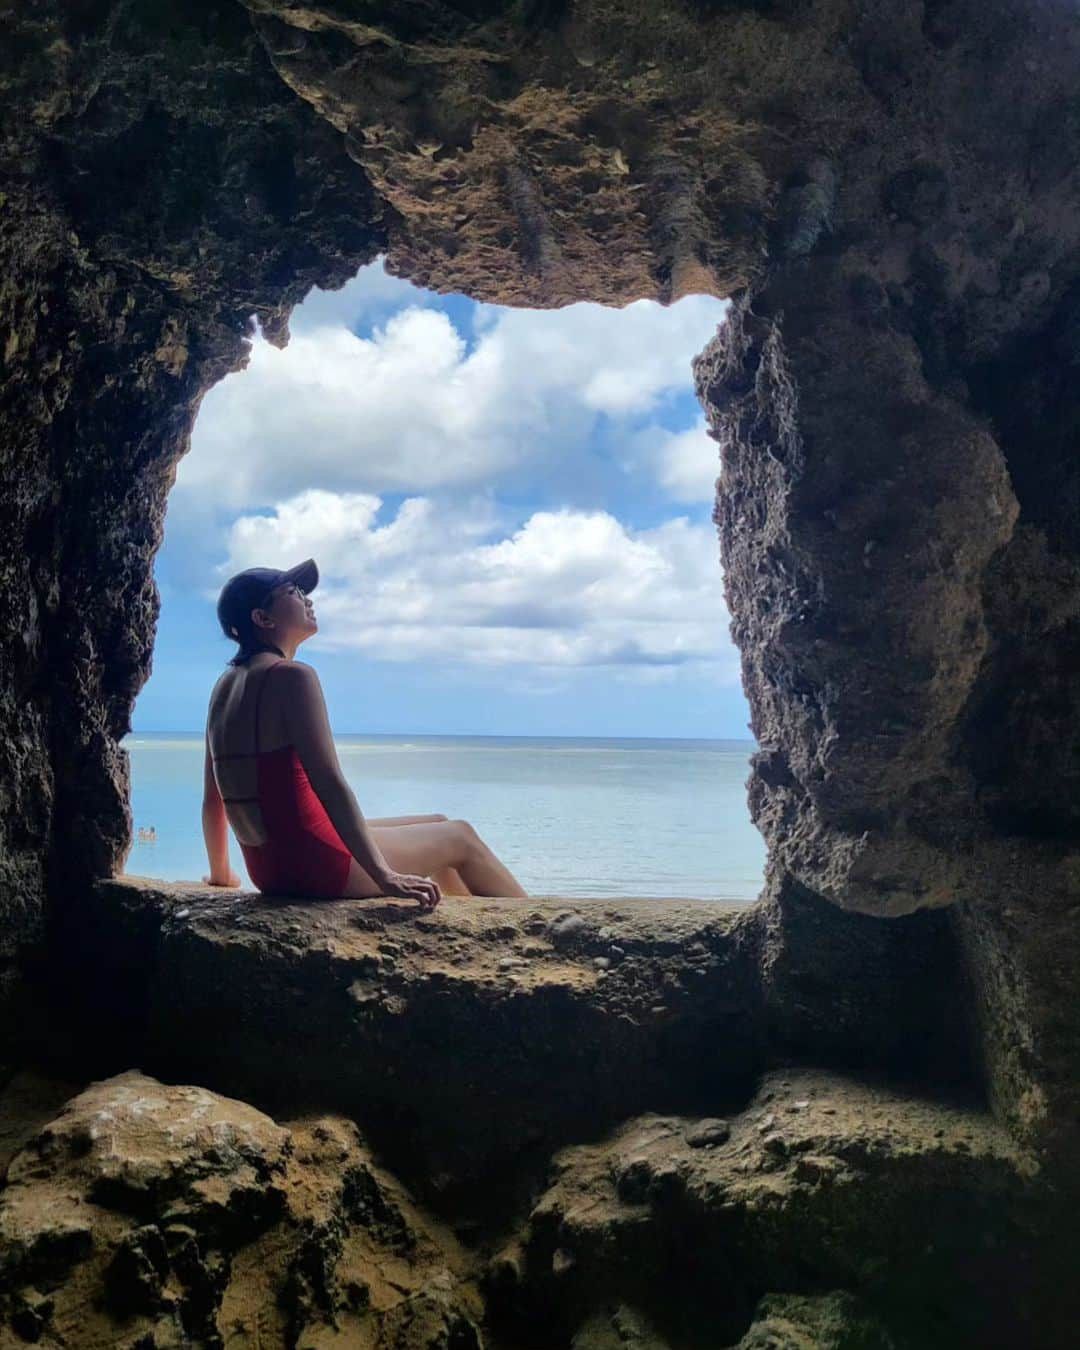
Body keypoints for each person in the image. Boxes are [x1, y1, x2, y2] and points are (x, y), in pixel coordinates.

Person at [201, 558, 528, 907]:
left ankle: (458, 919)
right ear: (262, 619)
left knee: (437, 823)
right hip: (316, 867)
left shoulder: (224, 688)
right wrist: (383, 875)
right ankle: (541, 933)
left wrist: (221, 874)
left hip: (268, 868)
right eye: (294, 593)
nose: (308, 600)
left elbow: (213, 798)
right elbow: (329, 783)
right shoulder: (292, 676)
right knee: (460, 836)